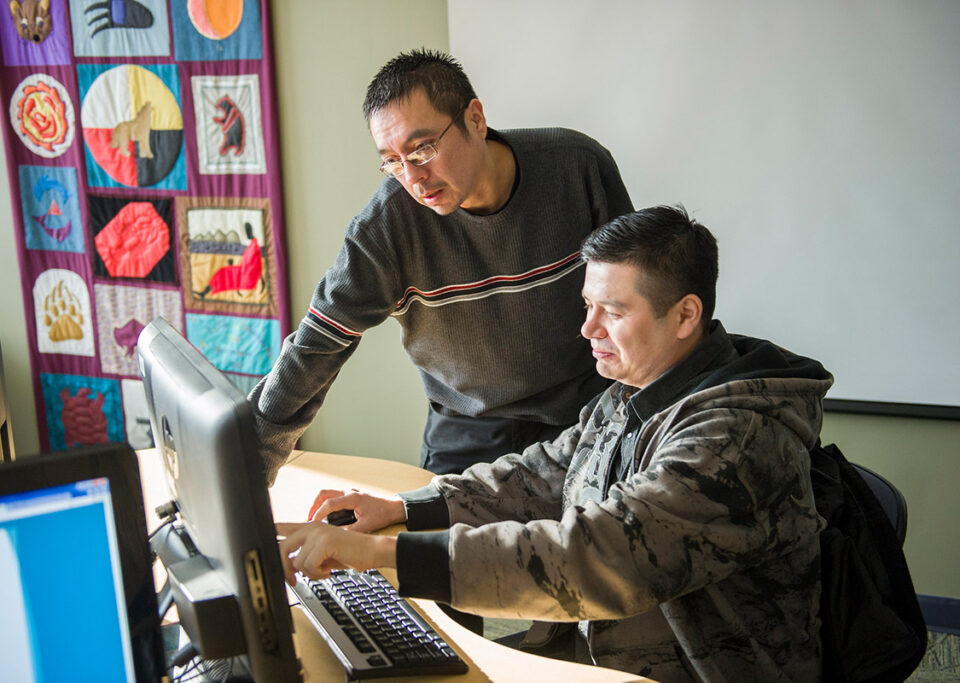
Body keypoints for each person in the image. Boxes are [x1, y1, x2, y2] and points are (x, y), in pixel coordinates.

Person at [277, 206, 833, 682]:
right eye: (588, 306)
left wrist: (379, 556)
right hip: (596, 656)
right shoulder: (641, 387)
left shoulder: (735, 437)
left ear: (686, 314)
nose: (588, 330)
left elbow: (601, 555)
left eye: (613, 312)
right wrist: (407, 507)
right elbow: (545, 472)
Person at [248, 49, 633, 482]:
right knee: (428, 546)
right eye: (392, 161)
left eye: (422, 149)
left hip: (585, 413)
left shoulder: (577, 168)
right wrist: (248, 466)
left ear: (475, 119)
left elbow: (634, 298)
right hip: (467, 432)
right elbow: (318, 344)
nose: (413, 178)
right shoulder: (386, 227)